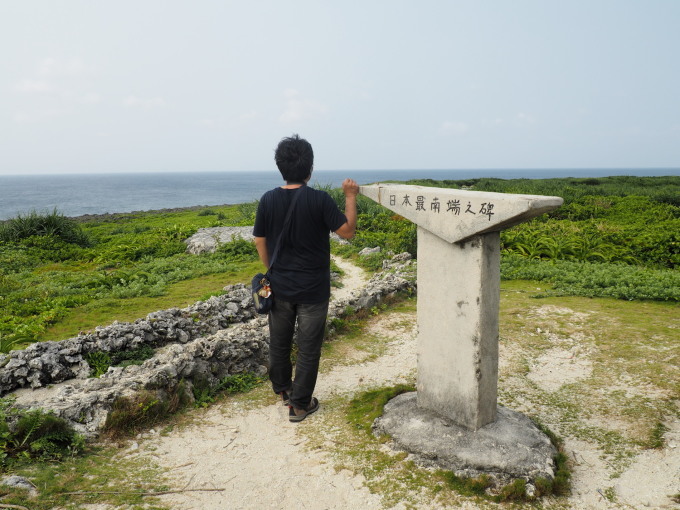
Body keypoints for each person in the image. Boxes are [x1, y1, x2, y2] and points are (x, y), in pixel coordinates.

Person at [253, 134, 359, 423]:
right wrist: (350, 197)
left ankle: (284, 390)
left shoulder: (268, 199)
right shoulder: (319, 200)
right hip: (313, 289)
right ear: (309, 168)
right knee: (309, 347)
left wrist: (270, 271)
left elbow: (259, 240)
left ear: (280, 166)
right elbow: (347, 231)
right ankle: (300, 405)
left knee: (279, 342)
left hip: (280, 287)